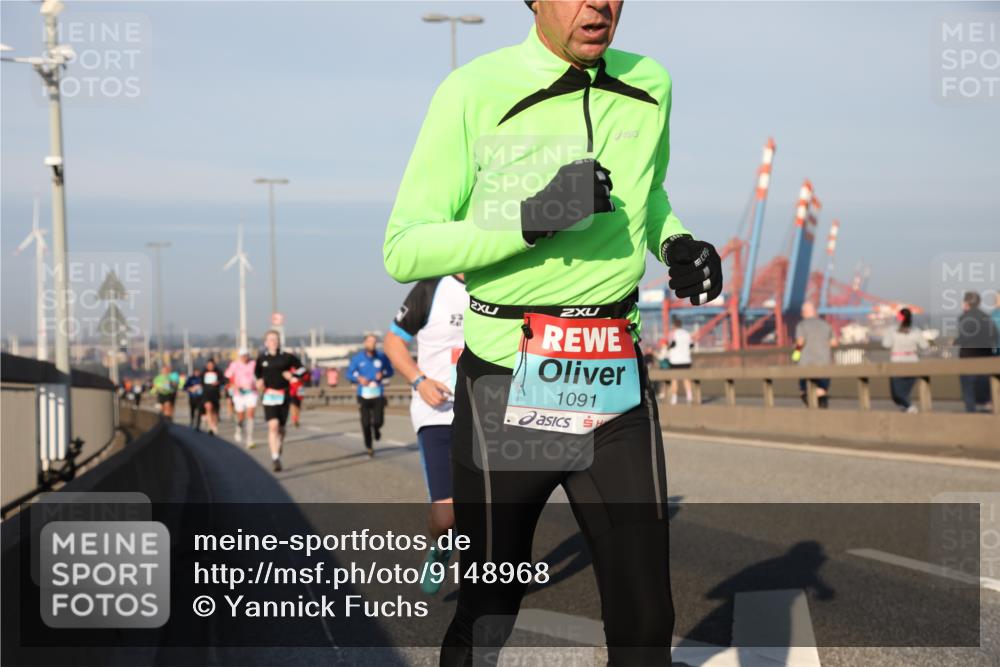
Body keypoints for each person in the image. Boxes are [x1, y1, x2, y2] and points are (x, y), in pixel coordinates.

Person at [382, 1, 724, 663]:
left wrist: (677, 242)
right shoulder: (471, 91)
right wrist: (531, 216)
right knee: (490, 606)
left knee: (647, 613)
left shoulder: (652, 82)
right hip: (503, 387)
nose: (598, 4)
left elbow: (647, 192)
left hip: (609, 374)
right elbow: (405, 248)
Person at [383, 274, 468, 595]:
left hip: (489, 413)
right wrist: (420, 381)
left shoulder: (500, 282)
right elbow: (392, 342)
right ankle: (442, 545)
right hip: (438, 412)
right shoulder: (432, 287)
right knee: (446, 517)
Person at [255, 329, 305, 472]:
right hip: (269, 396)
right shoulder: (261, 359)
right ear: (266, 342)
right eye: (270, 339)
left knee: (281, 429)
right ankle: (275, 457)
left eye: (276, 339)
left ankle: (279, 445)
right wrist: (259, 381)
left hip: (284, 395)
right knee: (273, 425)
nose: (273, 342)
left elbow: (302, 369)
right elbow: (257, 373)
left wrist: (293, 375)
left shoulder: (287, 357)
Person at [347, 334, 395, 457]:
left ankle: (377, 429)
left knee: (378, 420)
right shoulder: (357, 359)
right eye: (369, 341)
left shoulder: (382, 357)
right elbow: (349, 374)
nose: (372, 344)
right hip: (363, 394)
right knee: (365, 423)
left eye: (374, 341)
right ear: (365, 343)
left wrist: (382, 374)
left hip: (378, 393)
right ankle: (369, 446)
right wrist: (359, 378)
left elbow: (390, 371)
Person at [955, 291, 999, 412]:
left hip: (968, 359)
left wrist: (955, 341)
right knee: (986, 390)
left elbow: (964, 338)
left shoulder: (965, 318)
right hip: (986, 358)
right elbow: (994, 336)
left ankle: (972, 416)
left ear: (966, 303)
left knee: (968, 391)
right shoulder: (986, 317)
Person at [882, 307, 929, 413]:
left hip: (897, 362)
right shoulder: (916, 331)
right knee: (905, 392)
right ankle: (907, 408)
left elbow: (886, 344)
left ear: (898, 317)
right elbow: (924, 346)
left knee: (896, 394)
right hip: (913, 362)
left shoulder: (892, 330)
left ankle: (909, 407)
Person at [794, 302, 836, 408]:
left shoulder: (802, 325)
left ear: (804, 312)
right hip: (824, 363)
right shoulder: (825, 325)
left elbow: (800, 342)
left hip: (806, 364)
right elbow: (834, 343)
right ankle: (822, 409)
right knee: (821, 389)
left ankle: (812, 410)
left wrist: (796, 354)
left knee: (804, 390)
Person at [225, 347, 258, 448]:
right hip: (239, 393)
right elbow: (228, 376)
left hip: (251, 392)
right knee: (241, 416)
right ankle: (238, 429)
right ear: (239, 356)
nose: (245, 357)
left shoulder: (253, 364)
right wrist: (233, 384)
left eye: (246, 355)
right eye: (243, 355)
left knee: (251, 414)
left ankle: (250, 438)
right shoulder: (234, 364)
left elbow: (260, 374)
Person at [667, 316, 694, 405]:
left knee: (674, 380)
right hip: (686, 360)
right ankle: (689, 398)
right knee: (687, 379)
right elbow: (691, 345)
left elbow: (671, 345)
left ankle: (674, 400)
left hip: (675, 361)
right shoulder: (687, 333)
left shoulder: (672, 333)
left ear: (674, 325)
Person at [200, 359, 223, 435]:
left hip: (215, 393)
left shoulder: (218, 372)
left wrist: (218, 382)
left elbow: (223, 380)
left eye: (211, 365)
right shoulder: (203, 372)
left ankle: (214, 424)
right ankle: (210, 426)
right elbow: (201, 382)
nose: (210, 366)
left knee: (214, 410)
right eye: (209, 365)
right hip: (206, 393)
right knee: (208, 407)